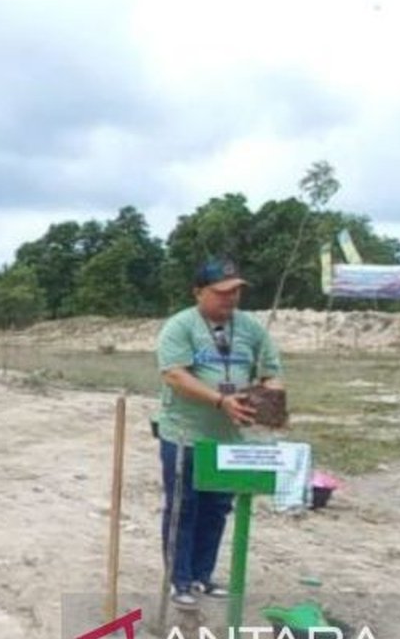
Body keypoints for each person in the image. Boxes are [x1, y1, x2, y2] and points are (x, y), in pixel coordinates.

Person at [155, 257, 283, 607]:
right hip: (185, 434)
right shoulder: (180, 326)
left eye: (236, 292)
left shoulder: (251, 329)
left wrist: (270, 402)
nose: (230, 299)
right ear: (199, 292)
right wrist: (219, 400)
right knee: (184, 507)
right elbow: (174, 375)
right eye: (222, 292)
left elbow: (271, 371)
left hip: (229, 440)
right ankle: (178, 579)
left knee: (217, 508)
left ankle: (201, 576)